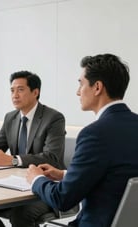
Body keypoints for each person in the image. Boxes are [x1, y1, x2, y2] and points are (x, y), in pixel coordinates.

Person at [26, 53, 138, 227]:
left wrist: (36, 179)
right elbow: (116, 175)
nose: (78, 92)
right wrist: (65, 174)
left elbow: (62, 199)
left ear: (97, 87)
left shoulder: (94, 134)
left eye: (81, 84)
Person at [0, 70, 66, 227]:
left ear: (35, 92)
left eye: (20, 90)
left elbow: (52, 157)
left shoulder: (54, 118)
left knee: (21, 213)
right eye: (12, 90)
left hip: (45, 187)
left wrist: (13, 160)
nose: (15, 95)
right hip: (16, 184)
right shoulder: (11, 117)